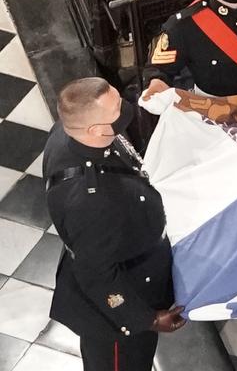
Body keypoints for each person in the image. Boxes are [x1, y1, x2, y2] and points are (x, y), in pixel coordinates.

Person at [44, 78, 186, 370]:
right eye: (117, 110)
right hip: (116, 311)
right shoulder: (90, 202)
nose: (126, 112)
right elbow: (97, 276)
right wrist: (145, 319)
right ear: (95, 130)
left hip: (124, 249)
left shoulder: (72, 133)